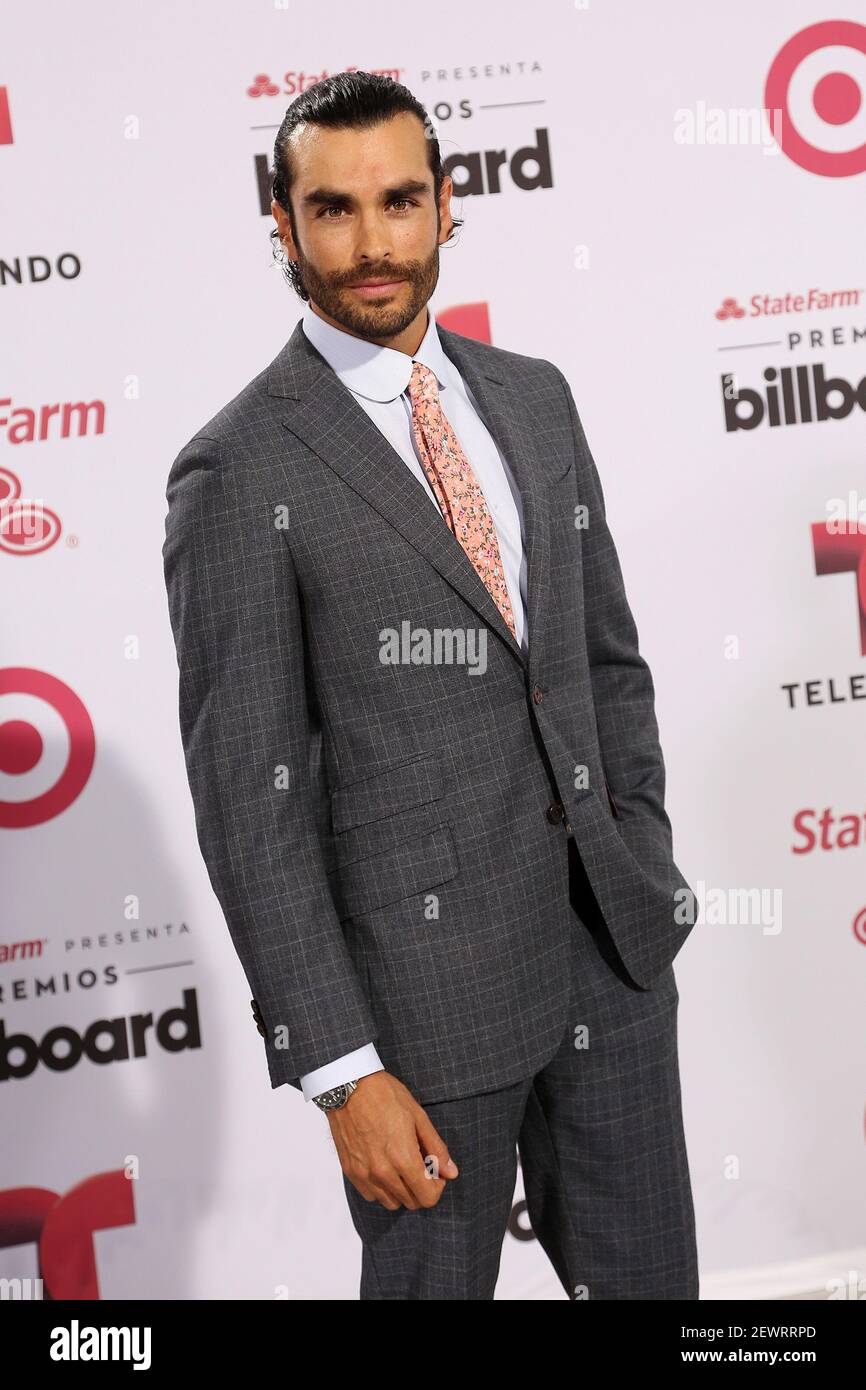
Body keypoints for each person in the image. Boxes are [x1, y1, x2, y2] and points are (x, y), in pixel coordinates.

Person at [162, 69, 699, 1300]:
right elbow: (252, 797)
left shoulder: (534, 399)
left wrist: (643, 860)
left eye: (400, 201)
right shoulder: (237, 468)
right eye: (333, 208)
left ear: (447, 204)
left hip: (608, 959)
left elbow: (604, 667)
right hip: (419, 1012)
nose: (371, 242)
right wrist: (343, 1068)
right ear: (282, 223)